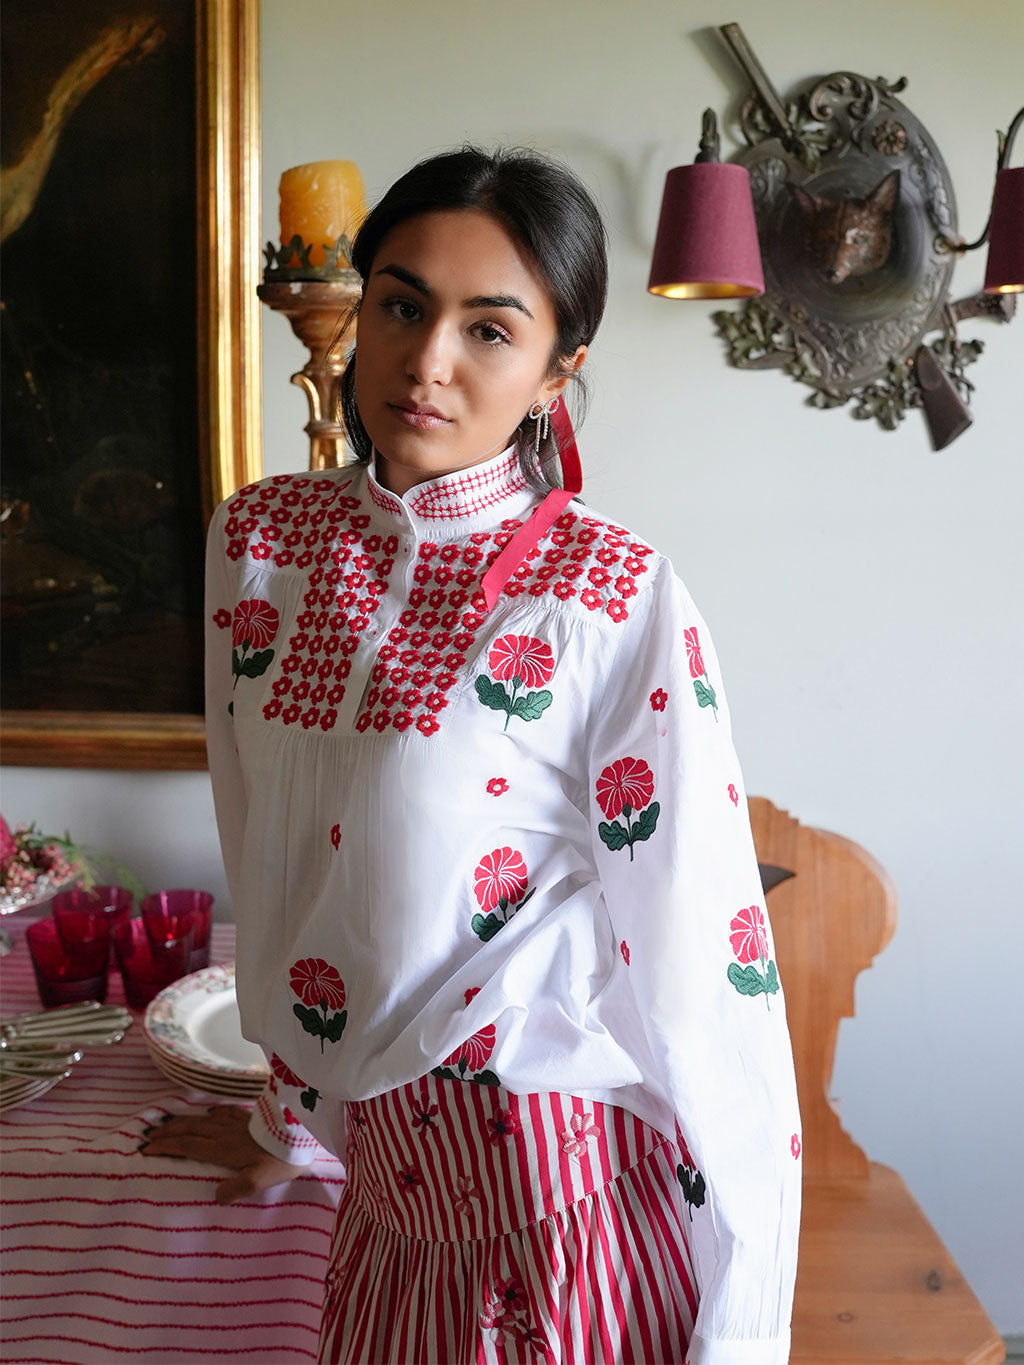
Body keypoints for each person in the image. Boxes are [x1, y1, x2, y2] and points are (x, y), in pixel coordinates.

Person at [143, 146, 802, 1364]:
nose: (427, 361)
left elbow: (702, 956)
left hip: (564, 1219)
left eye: (489, 330)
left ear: (559, 373)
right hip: (386, 1208)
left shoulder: (610, 593)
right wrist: (289, 1118)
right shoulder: (264, 543)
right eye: (401, 304)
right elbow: (277, 866)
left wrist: (747, 1308)